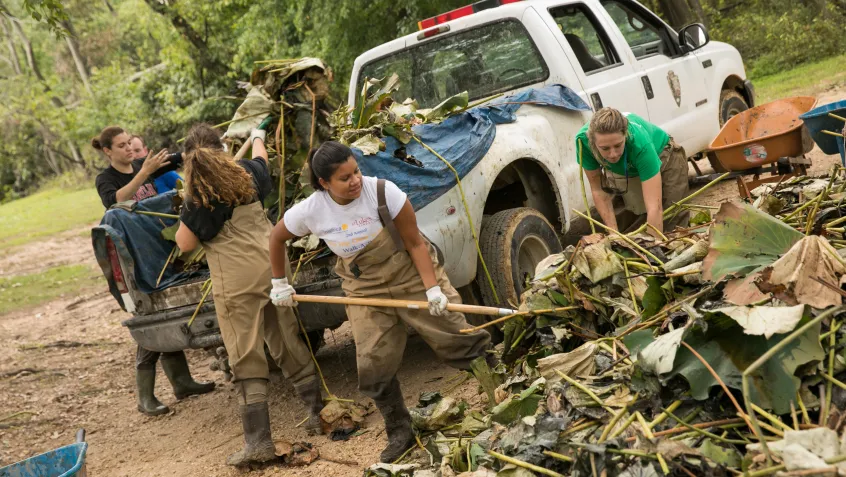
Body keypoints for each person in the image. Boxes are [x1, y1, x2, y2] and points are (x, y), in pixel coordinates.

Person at [269, 141, 493, 463]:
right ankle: (400, 430)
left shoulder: (385, 192)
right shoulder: (311, 211)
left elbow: (415, 243)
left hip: (409, 273)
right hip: (364, 287)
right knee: (373, 361)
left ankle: (499, 388)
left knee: (455, 334)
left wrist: (432, 290)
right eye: (345, 178)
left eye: (356, 171)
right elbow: (276, 238)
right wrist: (279, 283)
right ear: (324, 184)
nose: (356, 180)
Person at [173, 123, 323, 467]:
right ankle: (318, 413)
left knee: (245, 352)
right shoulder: (248, 174)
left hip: (237, 278)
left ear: (188, 160)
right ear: (223, 148)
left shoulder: (197, 198)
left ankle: (258, 444)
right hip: (272, 266)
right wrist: (256, 135)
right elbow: (261, 156)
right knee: (286, 338)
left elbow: (185, 243)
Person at [91, 126, 215, 416]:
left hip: (161, 250)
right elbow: (114, 203)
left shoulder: (142, 164)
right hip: (136, 259)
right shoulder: (106, 179)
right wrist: (144, 172)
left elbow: (180, 158)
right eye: (120, 146)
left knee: (163, 315)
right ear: (108, 151)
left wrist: (199, 151)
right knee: (149, 316)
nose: (128, 149)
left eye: (129, 144)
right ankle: (144, 397)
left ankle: (182, 383)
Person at [576, 108, 690, 236]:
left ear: (626, 135)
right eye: (605, 148)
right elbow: (598, 190)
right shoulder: (583, 142)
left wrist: (654, 247)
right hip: (630, 167)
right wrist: (614, 235)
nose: (613, 154)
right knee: (635, 218)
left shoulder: (640, 143)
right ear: (592, 142)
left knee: (673, 217)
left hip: (664, 155)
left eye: (618, 145)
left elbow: (654, 207)